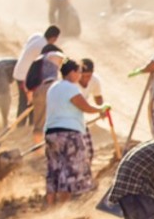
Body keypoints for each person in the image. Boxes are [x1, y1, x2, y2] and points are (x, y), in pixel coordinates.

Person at [43, 59, 109, 205]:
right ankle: (63, 209)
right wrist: (101, 109)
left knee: (54, 169)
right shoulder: (70, 88)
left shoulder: (53, 87)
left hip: (51, 132)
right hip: (68, 133)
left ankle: (50, 208)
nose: (80, 75)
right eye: (78, 72)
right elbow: (84, 106)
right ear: (72, 72)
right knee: (70, 170)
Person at [13, 26, 60, 125]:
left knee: (28, 101)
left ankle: (27, 125)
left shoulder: (37, 37)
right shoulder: (43, 47)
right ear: (54, 38)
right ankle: (22, 127)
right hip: (25, 77)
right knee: (28, 102)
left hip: (19, 72)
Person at [28, 46, 66, 144]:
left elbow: (29, 83)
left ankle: (38, 151)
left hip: (39, 90)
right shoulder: (53, 55)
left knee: (39, 125)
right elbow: (65, 61)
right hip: (52, 88)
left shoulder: (37, 61)